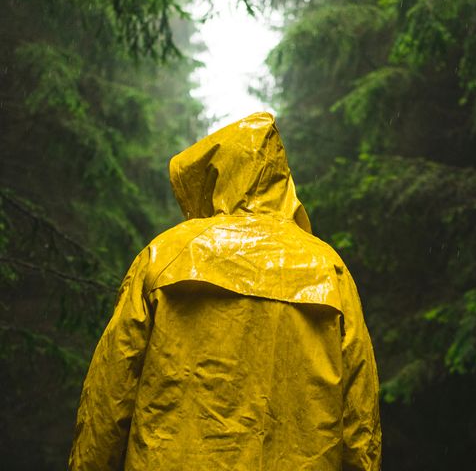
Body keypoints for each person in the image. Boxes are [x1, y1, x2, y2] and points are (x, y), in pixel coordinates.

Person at [69, 112, 381, 470]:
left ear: (215, 176)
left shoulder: (166, 256)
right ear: (282, 181)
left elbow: (109, 397)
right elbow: (360, 416)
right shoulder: (328, 268)